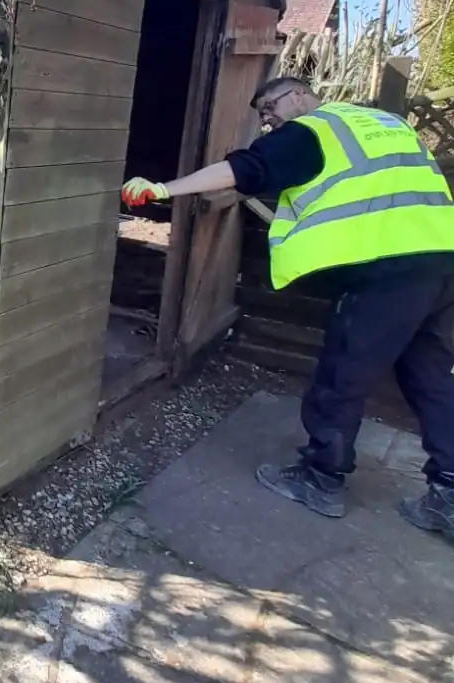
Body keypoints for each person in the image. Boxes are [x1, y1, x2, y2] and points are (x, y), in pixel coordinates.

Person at [122, 76, 454, 540]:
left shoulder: (315, 130)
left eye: (270, 108)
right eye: (262, 115)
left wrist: (163, 188)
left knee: (343, 375)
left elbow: (243, 170)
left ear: (299, 95)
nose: (268, 120)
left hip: (385, 271)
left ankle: (322, 479)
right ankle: (450, 494)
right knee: (433, 376)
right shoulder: (385, 123)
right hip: (440, 261)